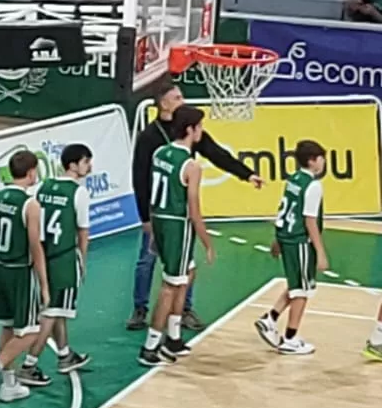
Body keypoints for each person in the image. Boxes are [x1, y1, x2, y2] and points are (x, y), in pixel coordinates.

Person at [130, 81, 261, 331]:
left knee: (185, 264)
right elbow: (139, 177)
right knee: (148, 260)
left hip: (178, 215)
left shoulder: (187, 129)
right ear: (163, 103)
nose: (183, 100)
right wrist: (144, 217)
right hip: (159, 213)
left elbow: (217, 154)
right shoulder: (150, 137)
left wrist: (246, 174)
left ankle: (185, 309)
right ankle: (140, 308)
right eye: (177, 97)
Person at [140, 106, 215, 367]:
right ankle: (150, 346)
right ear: (190, 129)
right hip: (177, 227)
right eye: (200, 127)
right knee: (170, 286)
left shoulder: (160, 152)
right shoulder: (191, 165)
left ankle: (173, 337)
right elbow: (193, 209)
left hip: (160, 219)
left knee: (188, 273)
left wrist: (152, 227)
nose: (202, 132)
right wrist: (206, 241)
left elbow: (151, 191)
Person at [0, 152, 49, 407]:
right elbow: (35, 247)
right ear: (30, 173)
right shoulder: (30, 205)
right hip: (18, 272)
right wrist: (45, 285)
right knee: (31, 331)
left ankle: (9, 386)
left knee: (7, 327)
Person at [19, 144, 94, 386]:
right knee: (52, 313)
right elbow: (83, 233)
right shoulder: (78, 193)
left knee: (56, 310)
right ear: (73, 165)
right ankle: (29, 365)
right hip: (63, 258)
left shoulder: (42, 187)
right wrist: (82, 261)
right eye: (85, 162)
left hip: (42, 256)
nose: (89, 166)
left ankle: (65, 355)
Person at [255, 141, 329, 355]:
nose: (324, 162)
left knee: (297, 284)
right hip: (300, 242)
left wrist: (277, 240)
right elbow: (309, 220)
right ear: (312, 161)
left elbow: (284, 212)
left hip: (287, 237)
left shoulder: (293, 180)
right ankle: (290, 338)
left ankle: (270, 319)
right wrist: (321, 252)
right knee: (302, 292)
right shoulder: (313, 185)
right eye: (321, 158)